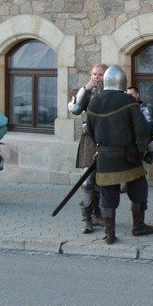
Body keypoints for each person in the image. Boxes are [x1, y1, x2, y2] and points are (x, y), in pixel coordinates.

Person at [86, 66, 153, 244]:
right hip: (129, 157)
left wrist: (102, 147)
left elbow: (90, 130)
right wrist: (143, 151)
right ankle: (138, 227)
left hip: (104, 156)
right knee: (139, 188)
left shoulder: (94, 102)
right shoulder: (129, 101)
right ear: (122, 82)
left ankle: (109, 234)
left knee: (108, 195)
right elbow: (141, 131)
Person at [69, 64, 106, 234]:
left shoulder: (110, 92)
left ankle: (98, 214)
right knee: (87, 181)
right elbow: (76, 109)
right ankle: (86, 219)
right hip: (89, 141)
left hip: (106, 141)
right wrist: (86, 88)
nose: (97, 77)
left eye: (100, 74)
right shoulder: (86, 92)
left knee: (102, 181)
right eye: (94, 74)